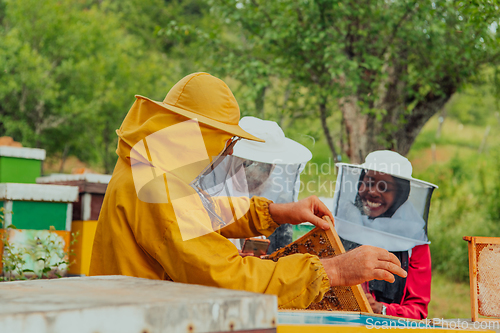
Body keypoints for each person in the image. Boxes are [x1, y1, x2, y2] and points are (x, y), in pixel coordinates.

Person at [89, 72, 406, 309]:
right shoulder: (158, 186)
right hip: (141, 318)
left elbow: (199, 213)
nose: (224, 151)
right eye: (223, 140)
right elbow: (229, 276)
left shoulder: (144, 164)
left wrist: (275, 212)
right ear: (201, 134)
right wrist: (333, 269)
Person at [333, 150, 437, 319]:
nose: (373, 192)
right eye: (368, 182)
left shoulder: (413, 239)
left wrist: (382, 309)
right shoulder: (340, 224)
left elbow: (418, 309)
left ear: (400, 194)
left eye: (384, 187)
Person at [229, 116, 312, 253]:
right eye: (250, 164)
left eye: (267, 166)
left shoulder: (273, 192)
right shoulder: (216, 195)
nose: (257, 174)